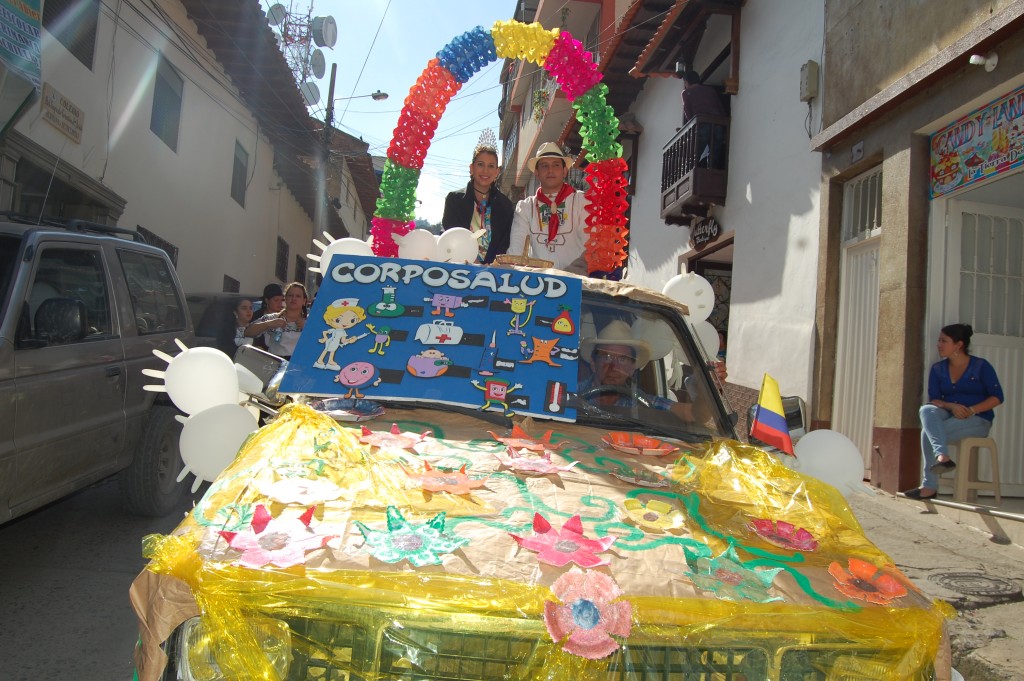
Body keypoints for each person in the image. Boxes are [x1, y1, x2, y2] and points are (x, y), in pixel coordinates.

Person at [904, 323, 1004, 500]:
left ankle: (930, 485)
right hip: (949, 413)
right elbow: (935, 400)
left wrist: (971, 410)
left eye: (944, 341)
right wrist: (953, 407)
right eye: (939, 340)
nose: (939, 344)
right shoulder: (938, 369)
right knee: (926, 409)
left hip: (978, 419)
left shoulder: (981, 366)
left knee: (928, 433)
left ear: (959, 345)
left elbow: (997, 397)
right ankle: (942, 456)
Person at [576, 319, 726, 423]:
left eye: (622, 359)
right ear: (593, 363)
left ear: (632, 368)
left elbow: (694, 414)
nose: (614, 366)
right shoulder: (570, 393)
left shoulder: (643, 403)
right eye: (607, 356)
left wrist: (708, 386)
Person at [507, 142, 589, 274]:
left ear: (564, 171)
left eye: (556, 165)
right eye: (544, 166)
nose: (550, 170)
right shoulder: (526, 207)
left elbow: (590, 246)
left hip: (576, 283)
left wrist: (569, 276)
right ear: (537, 173)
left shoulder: (581, 201)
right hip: (537, 287)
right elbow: (516, 250)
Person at [442, 135, 514, 264]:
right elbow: (451, 235)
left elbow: (504, 243)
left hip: (493, 273)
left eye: (491, 166)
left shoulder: (506, 206)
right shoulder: (454, 200)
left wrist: (491, 266)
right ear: (471, 168)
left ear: (497, 172)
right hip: (458, 268)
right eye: (480, 164)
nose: (485, 170)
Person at [247, 282, 308, 360]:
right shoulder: (273, 317)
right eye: (290, 295)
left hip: (300, 365)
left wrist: (307, 329)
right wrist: (269, 324)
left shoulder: (311, 322)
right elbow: (248, 332)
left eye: (298, 296)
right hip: (275, 364)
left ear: (304, 300)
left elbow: (321, 343)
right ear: (285, 299)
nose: (294, 299)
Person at [249, 283, 286, 351]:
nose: (280, 303)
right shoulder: (255, 317)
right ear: (267, 300)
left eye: (281, 300)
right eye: (276, 300)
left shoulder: (284, 317)